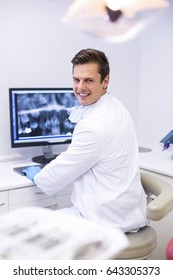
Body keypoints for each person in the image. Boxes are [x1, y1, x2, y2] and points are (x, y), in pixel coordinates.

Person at [24, 48, 148, 233]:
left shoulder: (94, 126)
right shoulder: (116, 105)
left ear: (105, 81)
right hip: (126, 213)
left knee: (29, 230)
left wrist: (39, 176)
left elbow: (58, 174)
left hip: (103, 221)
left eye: (88, 80)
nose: (80, 87)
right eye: (76, 79)